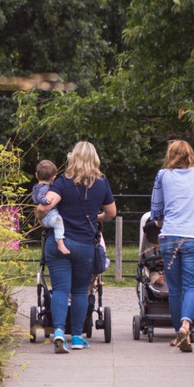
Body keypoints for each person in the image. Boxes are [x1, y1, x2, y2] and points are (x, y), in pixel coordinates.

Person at [36, 141, 116, 354]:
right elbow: (111, 213)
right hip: (84, 245)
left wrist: (41, 216)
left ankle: (60, 332)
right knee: (81, 290)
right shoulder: (102, 183)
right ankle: (79, 337)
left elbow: (45, 205)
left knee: (61, 289)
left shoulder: (62, 182)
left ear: (73, 158)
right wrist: (98, 217)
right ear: (95, 159)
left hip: (59, 243)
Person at [149, 139, 194, 353]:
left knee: (174, 289)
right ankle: (187, 324)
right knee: (191, 285)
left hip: (170, 236)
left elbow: (156, 209)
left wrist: (158, 220)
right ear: (190, 155)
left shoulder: (163, 175)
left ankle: (179, 332)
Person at [31, 159, 70, 255]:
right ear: (54, 178)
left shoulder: (37, 186)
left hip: (45, 216)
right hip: (50, 215)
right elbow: (40, 197)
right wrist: (46, 200)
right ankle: (60, 243)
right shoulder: (44, 187)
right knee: (59, 222)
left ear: (36, 175)